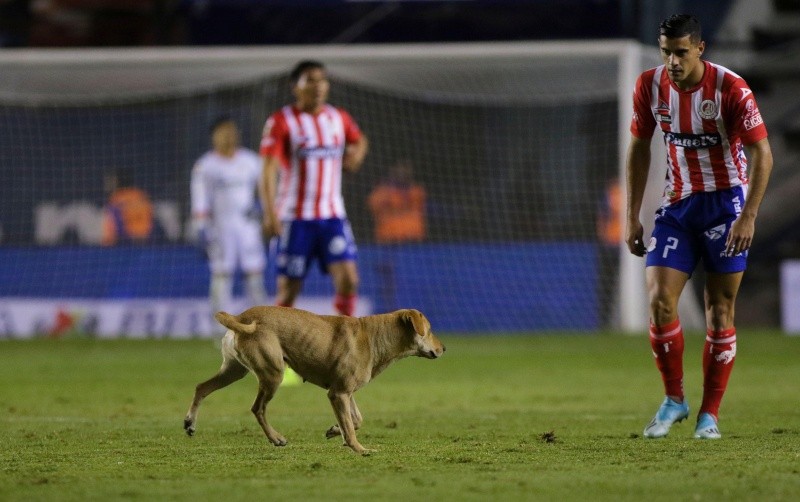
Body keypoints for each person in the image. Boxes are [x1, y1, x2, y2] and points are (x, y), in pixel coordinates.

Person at [625, 14, 773, 439]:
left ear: (700, 49)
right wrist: (632, 214)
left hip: (725, 207)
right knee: (659, 301)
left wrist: (748, 215)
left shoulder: (730, 88)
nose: (672, 62)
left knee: (719, 311)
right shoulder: (649, 85)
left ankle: (710, 414)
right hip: (677, 206)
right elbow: (639, 147)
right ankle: (675, 399)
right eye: (666, 52)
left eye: (681, 53)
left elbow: (762, 153)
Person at [259, 60, 368, 316]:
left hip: (332, 216)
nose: (318, 86)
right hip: (295, 218)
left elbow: (360, 139)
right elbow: (268, 170)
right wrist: (270, 214)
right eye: (310, 80)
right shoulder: (281, 121)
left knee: (349, 280)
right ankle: (279, 339)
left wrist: (357, 155)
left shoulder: (338, 117)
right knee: (288, 291)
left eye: (322, 80)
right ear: (295, 87)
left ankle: (343, 337)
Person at [190, 116, 267, 317]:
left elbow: (267, 187)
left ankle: (261, 323)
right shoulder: (205, 165)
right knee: (221, 274)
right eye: (223, 132)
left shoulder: (251, 161)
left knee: (254, 274)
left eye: (232, 131)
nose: (229, 135)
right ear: (214, 136)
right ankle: (218, 326)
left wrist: (264, 207)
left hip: (248, 226)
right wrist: (201, 227)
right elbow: (199, 199)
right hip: (220, 228)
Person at [367, 160, 426, 312]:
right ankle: (390, 310)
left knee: (411, 283)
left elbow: (420, 202)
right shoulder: (383, 193)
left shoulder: (415, 191)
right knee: (390, 280)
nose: (402, 175)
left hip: (413, 242)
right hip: (389, 242)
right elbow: (373, 203)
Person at [368, 160, 427, 244]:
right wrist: (390, 190)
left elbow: (422, 207)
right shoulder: (382, 192)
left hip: (415, 241)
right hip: (389, 242)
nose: (404, 171)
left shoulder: (417, 190)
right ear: (393, 169)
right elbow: (372, 205)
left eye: (407, 167)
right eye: (401, 167)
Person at [101, 167, 155, 246]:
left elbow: (116, 226)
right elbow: (152, 220)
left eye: (112, 180)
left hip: (126, 243)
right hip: (146, 241)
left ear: (119, 181)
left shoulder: (116, 198)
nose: (109, 182)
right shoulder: (141, 195)